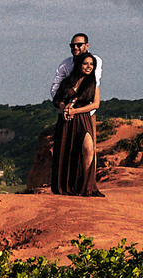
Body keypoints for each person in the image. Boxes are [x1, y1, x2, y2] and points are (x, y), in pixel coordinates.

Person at [51, 52, 102, 196]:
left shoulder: (93, 83)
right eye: (86, 63)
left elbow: (95, 104)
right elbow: (57, 99)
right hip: (66, 120)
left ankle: (86, 186)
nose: (89, 67)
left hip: (83, 118)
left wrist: (76, 111)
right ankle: (69, 186)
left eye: (91, 64)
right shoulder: (67, 82)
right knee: (67, 152)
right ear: (79, 65)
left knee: (88, 147)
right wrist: (64, 108)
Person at [51, 33, 103, 109]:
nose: (75, 47)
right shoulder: (65, 64)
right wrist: (62, 104)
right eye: (72, 45)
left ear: (87, 45)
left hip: (86, 109)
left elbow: (93, 84)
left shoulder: (95, 60)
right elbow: (56, 86)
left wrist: (74, 103)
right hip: (66, 109)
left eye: (79, 45)